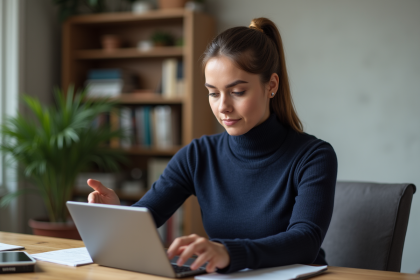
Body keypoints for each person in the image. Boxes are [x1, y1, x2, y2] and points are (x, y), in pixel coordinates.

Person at [87, 17, 338, 274]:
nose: (223, 107)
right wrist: (118, 217)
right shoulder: (198, 155)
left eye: (237, 92)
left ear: (271, 85)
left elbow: (306, 241)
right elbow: (147, 218)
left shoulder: (313, 156)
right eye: (213, 93)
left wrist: (228, 252)